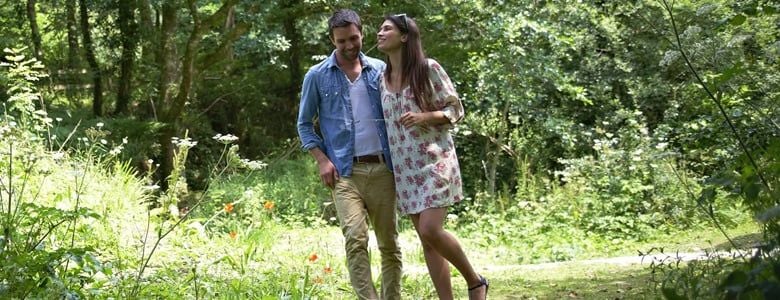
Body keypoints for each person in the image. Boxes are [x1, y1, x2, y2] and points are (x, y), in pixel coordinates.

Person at [376, 14, 488, 300]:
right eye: (380, 29)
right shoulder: (382, 78)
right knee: (427, 241)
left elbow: (455, 110)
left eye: (386, 28)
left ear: (404, 36)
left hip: (435, 161)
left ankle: (475, 282)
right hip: (405, 169)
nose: (379, 33)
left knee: (430, 229)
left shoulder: (428, 69)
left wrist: (426, 116)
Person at [296, 9, 402, 300]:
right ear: (332, 39)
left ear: (362, 34)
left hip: (383, 169)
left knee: (389, 245)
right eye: (341, 41)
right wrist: (322, 160)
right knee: (355, 239)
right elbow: (304, 124)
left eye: (353, 38)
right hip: (344, 172)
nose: (349, 45)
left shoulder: (381, 70)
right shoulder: (317, 76)